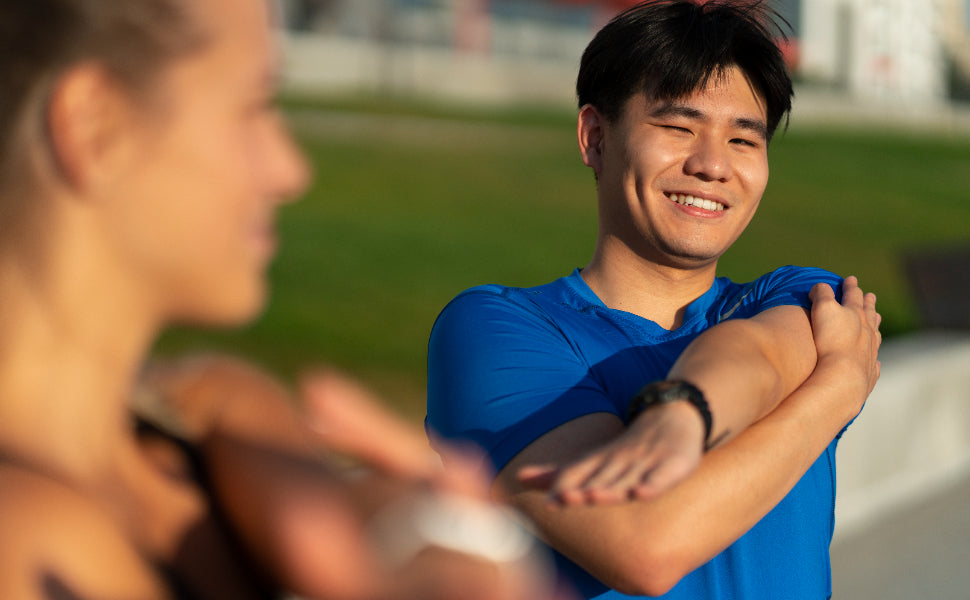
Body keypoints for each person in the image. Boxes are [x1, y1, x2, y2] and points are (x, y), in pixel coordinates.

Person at [0, 1, 561, 599]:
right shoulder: (27, 540)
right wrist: (468, 557)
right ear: (96, 125)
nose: (290, 170)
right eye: (254, 106)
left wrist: (411, 523)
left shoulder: (208, 427)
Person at [426, 1, 882, 599]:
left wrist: (683, 413)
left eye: (744, 139)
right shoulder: (493, 331)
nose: (713, 165)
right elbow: (643, 546)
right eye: (678, 128)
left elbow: (761, 355)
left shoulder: (800, 293)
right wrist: (838, 389)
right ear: (595, 136)